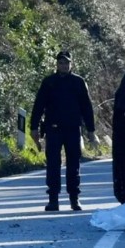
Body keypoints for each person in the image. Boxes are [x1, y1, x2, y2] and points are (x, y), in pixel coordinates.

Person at [30, 50, 99, 212]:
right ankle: (53, 199)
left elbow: (87, 108)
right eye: (61, 63)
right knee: (53, 165)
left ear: (71, 64)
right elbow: (38, 105)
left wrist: (91, 131)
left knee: (73, 165)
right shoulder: (49, 82)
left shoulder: (79, 82)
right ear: (57, 64)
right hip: (53, 130)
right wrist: (33, 128)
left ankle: (74, 199)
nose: (64, 65)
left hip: (73, 129)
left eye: (67, 63)